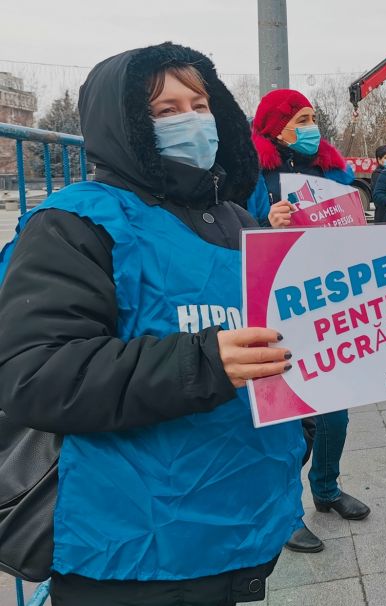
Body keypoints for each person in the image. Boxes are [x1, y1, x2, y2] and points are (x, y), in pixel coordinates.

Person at [0, 43, 303, 604]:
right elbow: (36, 375)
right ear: (127, 125)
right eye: (166, 110)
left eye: (200, 104)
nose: (192, 120)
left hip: (236, 523)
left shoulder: (236, 220)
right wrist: (203, 361)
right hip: (129, 549)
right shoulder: (74, 223)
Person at [248, 89, 371, 554]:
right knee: (288, 420)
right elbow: (233, 231)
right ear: (275, 127)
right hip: (277, 305)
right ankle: (285, 512)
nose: (310, 127)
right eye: (300, 119)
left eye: (312, 118)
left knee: (335, 409)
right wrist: (265, 221)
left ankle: (326, 488)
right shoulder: (253, 174)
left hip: (327, 301)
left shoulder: (329, 170)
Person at [246, 90, 356, 230]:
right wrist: (269, 225)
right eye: (303, 121)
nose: (313, 127)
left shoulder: (330, 170)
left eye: (313, 120)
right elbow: (242, 234)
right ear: (278, 131)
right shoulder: (256, 177)